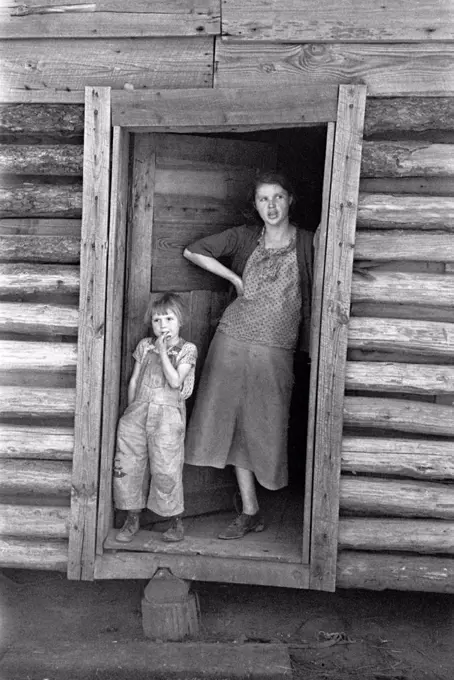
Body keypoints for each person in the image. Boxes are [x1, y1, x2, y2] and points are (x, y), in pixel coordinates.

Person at [183, 171, 313, 540]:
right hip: (233, 337)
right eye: (262, 199)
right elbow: (194, 250)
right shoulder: (244, 237)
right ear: (254, 205)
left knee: (264, 423)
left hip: (276, 344)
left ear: (290, 200)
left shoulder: (308, 242)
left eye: (278, 198)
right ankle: (249, 510)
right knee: (228, 420)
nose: (270, 206)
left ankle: (266, 504)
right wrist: (235, 280)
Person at [113, 292, 198, 543]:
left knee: (166, 468)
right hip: (137, 413)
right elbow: (134, 380)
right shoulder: (143, 345)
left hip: (167, 416)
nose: (163, 326)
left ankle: (175, 521)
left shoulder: (187, 350)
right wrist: (131, 411)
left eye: (169, 319)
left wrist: (162, 353)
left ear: (180, 321)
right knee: (130, 465)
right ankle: (131, 518)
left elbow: (174, 381)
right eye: (157, 321)